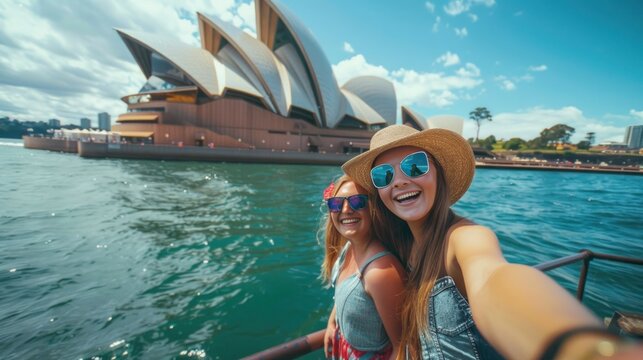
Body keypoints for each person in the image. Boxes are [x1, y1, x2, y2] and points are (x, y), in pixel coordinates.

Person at [342, 125, 640, 360]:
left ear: (438, 172)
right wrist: (335, 319)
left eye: (415, 166)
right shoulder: (404, 244)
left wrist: (578, 347)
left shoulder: (465, 238)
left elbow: (492, 277)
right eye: (383, 175)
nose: (399, 181)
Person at [320, 175, 406, 360]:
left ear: (373, 209)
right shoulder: (348, 249)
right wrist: (332, 323)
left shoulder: (379, 272)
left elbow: (402, 346)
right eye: (336, 203)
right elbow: (343, 293)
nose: (345, 209)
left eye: (357, 202)